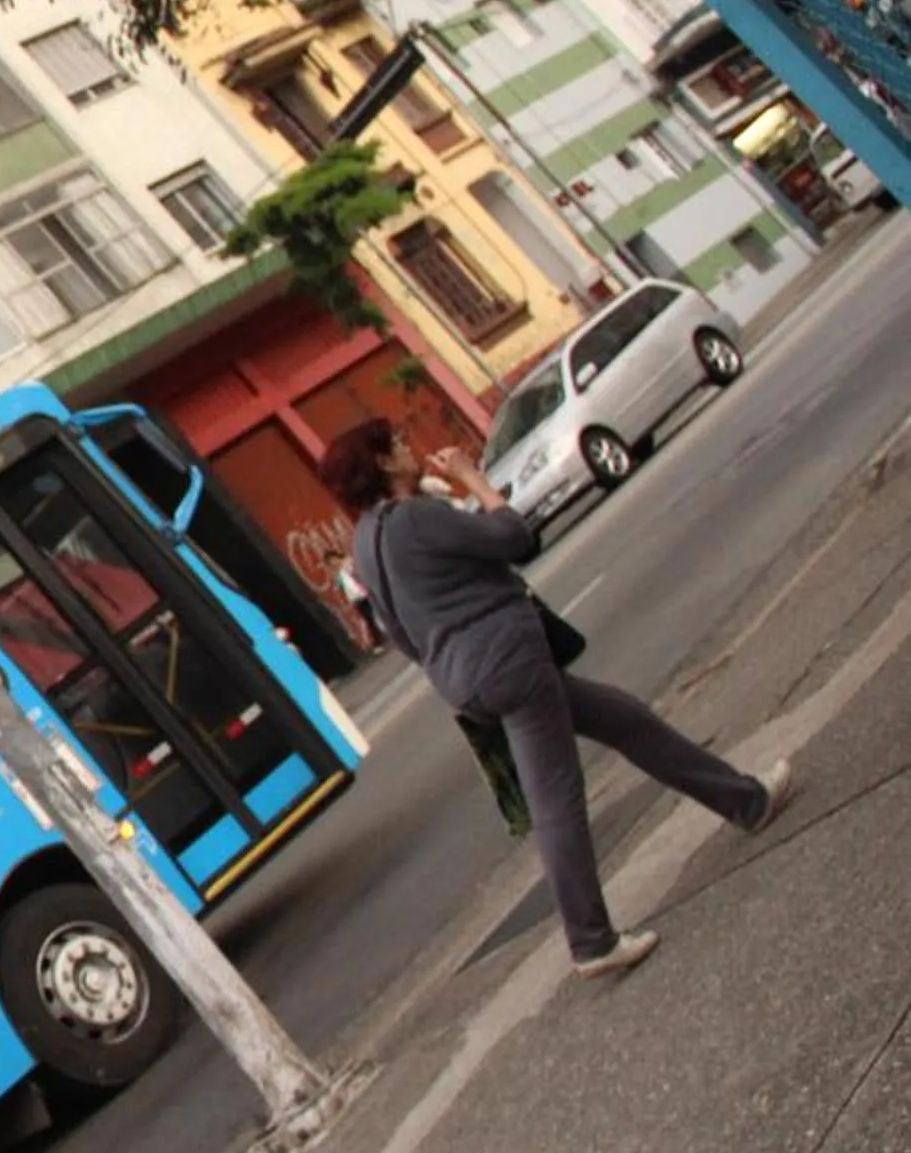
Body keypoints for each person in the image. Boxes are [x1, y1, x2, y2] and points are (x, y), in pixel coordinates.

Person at [322, 416, 790, 979]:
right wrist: (475, 480)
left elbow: (400, 635)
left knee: (626, 721)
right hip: (509, 661)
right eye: (396, 443)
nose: (407, 445)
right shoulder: (416, 518)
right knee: (556, 798)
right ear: (381, 463)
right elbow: (516, 539)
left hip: (469, 678)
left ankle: (746, 801)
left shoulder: (367, 544)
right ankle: (591, 940)